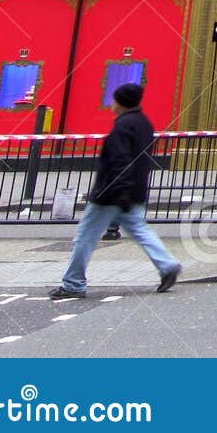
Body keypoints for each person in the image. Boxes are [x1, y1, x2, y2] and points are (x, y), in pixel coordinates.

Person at [50, 83, 181, 300]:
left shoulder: (122, 127)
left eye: (114, 99)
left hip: (110, 194)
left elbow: (120, 161)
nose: (112, 103)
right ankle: (167, 265)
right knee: (140, 230)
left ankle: (73, 283)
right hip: (134, 189)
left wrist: (117, 191)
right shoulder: (144, 123)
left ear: (120, 102)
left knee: (85, 236)